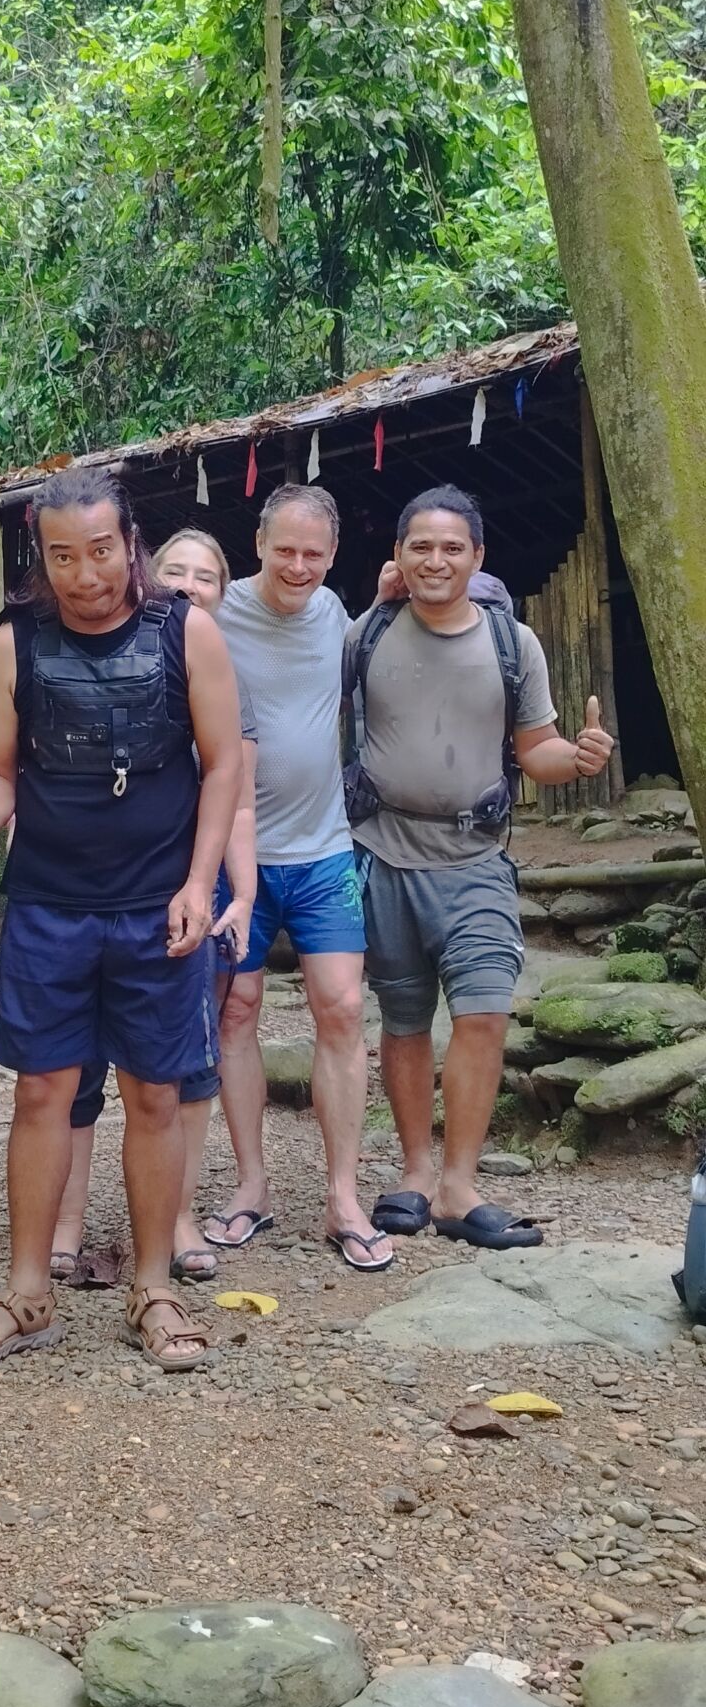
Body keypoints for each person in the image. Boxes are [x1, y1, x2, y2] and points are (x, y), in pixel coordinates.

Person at [0, 470, 243, 1371]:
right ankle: (26, 1291)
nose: (85, 575)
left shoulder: (187, 631)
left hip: (158, 905)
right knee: (41, 1093)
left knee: (155, 1095)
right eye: (63, 557)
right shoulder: (12, 644)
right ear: (41, 557)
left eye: (102, 551)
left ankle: (152, 1287)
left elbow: (224, 766)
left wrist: (201, 883)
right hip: (49, 905)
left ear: (131, 543)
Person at [348, 485, 614, 1251]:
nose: (436, 560)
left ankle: (459, 1185)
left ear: (478, 557)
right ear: (398, 555)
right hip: (383, 852)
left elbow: (537, 750)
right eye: (421, 546)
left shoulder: (511, 642)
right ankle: (413, 1172)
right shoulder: (367, 633)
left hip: (476, 857)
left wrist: (579, 758)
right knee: (403, 1019)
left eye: (452, 547)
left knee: (485, 1011)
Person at [49, 526, 258, 1287]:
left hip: (184, 891)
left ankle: (176, 1217)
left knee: (182, 1069)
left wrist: (239, 893)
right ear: (147, 574)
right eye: (176, 571)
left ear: (223, 593)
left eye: (207, 576)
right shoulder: (89, 657)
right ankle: (64, 1222)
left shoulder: (219, 671)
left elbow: (236, 798)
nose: (190, 585)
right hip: (84, 892)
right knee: (71, 1071)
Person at [212, 483, 391, 1270]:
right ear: (258, 545)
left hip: (323, 849)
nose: (297, 566)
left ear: (332, 555)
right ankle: (251, 1185)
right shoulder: (214, 615)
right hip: (234, 852)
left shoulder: (334, 616)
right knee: (236, 1009)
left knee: (343, 1008)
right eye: (283, 549)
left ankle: (343, 1196)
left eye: (313, 554)